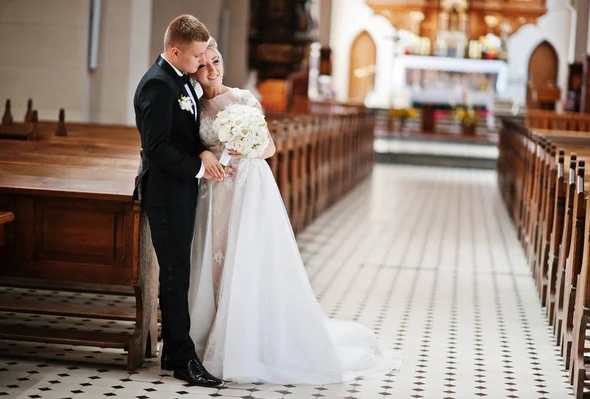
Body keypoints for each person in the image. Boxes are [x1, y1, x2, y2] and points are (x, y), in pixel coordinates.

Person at [187, 37, 402, 384]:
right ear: (194, 69)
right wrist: (204, 154)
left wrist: (245, 145)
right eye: (204, 65)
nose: (212, 70)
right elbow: (193, 144)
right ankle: (206, 335)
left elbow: (269, 147)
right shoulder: (194, 104)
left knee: (244, 259)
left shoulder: (243, 99)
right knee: (214, 261)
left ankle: (241, 341)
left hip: (246, 188)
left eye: (216, 61)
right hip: (213, 191)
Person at [133, 15, 225, 387]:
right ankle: (185, 360)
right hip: (166, 193)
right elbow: (157, 148)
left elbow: (182, 133)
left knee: (178, 274)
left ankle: (173, 351)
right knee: (175, 276)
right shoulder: (157, 84)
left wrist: (203, 151)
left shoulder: (179, 78)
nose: (202, 61)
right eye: (197, 55)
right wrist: (199, 168)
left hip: (180, 190)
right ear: (175, 50)